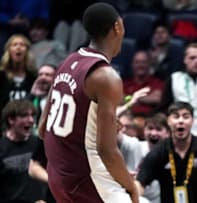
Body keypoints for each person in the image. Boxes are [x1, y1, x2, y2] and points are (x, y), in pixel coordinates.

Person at [38, 3, 144, 203]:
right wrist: (131, 188)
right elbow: (107, 151)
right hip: (85, 180)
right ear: (117, 27)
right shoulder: (107, 77)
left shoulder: (67, 62)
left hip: (57, 177)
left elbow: (43, 128)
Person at [135, 101, 197, 203]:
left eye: (186, 117)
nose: (181, 121)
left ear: (192, 121)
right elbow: (139, 183)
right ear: (169, 121)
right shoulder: (159, 151)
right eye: (176, 117)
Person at [0, 99, 45, 203]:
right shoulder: (2, 148)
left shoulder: (38, 143)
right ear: (11, 119)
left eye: (32, 116)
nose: (31, 120)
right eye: (25, 116)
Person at [0, 34, 37, 115]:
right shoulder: (1, 75)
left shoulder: (33, 76)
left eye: (22, 45)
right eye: (14, 44)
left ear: (27, 51)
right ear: (8, 50)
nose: (18, 47)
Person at [123, 50, 164, 117]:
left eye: (144, 62)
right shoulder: (126, 83)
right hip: (129, 119)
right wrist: (146, 98)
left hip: (150, 119)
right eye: (137, 62)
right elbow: (119, 99)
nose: (140, 65)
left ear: (149, 64)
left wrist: (133, 98)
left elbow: (157, 98)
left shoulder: (157, 82)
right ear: (132, 65)